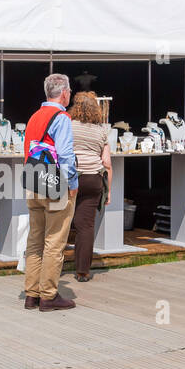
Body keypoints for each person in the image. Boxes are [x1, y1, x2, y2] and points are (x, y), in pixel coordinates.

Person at [22, 73, 78, 311]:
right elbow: (65, 155)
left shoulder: (35, 116)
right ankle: (48, 296)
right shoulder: (61, 117)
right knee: (54, 241)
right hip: (55, 184)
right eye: (69, 91)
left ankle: (31, 294)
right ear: (64, 92)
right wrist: (72, 184)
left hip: (34, 181)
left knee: (35, 239)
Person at [67, 90, 112, 282]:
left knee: (60, 223)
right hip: (93, 179)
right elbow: (107, 162)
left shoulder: (67, 126)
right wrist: (108, 191)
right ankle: (83, 271)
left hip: (70, 178)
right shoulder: (102, 130)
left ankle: (51, 266)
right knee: (85, 226)